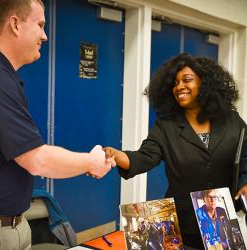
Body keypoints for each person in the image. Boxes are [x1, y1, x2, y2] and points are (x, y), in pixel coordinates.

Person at [0, 1, 114, 249]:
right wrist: (90, 161)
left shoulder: (7, 77)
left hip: (15, 223)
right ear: (15, 24)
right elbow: (36, 159)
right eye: (40, 25)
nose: (45, 35)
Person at [104, 53, 247, 248]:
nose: (179, 86)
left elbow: (245, 156)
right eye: (175, 82)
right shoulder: (166, 126)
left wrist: (245, 182)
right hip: (181, 221)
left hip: (221, 217)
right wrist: (118, 156)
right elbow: (146, 156)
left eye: (186, 80)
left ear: (205, 84)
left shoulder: (232, 120)